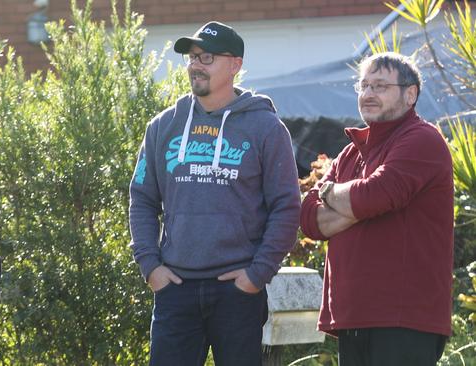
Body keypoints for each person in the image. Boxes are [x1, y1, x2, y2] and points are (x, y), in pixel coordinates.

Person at [129, 21, 301, 365]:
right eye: (192, 57)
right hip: (175, 288)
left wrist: (256, 275)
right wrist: (150, 267)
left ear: (234, 65)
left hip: (237, 290)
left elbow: (286, 207)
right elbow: (142, 200)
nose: (195, 64)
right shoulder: (163, 125)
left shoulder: (265, 127)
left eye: (206, 57)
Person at [300, 52, 453, 365]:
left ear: (410, 94)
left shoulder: (422, 139)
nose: (368, 94)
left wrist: (330, 192)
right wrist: (354, 204)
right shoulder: (350, 153)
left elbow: (372, 196)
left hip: (403, 319)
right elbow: (309, 220)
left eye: (380, 86)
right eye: (364, 85)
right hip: (352, 316)